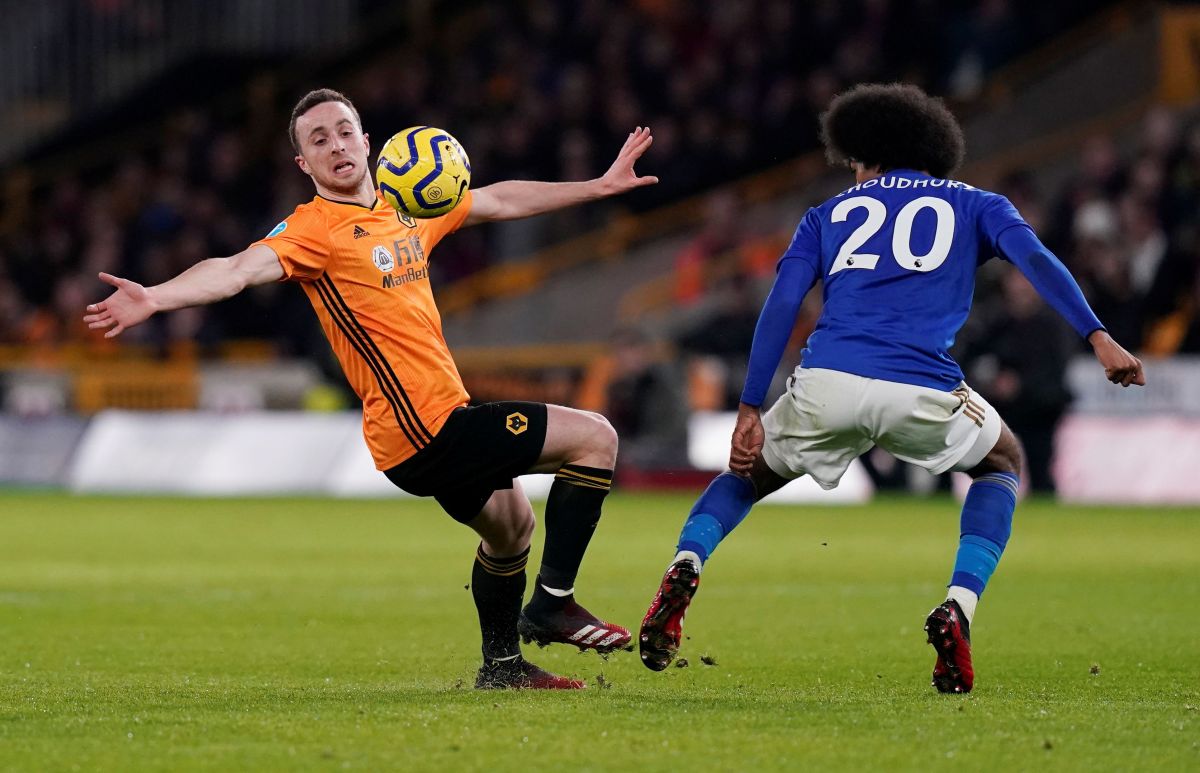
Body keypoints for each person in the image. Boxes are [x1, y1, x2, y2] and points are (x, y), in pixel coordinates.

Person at [84, 88, 659, 690]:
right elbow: (235, 270)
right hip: (423, 431)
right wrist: (156, 297)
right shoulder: (313, 231)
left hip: (439, 422)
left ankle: (502, 668)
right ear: (304, 163)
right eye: (319, 140)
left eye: (343, 132)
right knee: (595, 438)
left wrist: (597, 187)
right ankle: (553, 604)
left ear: (366, 141)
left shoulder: (408, 203)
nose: (335, 146)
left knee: (512, 528)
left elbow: (496, 199)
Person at [638, 83, 1144, 693]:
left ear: (870, 152)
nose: (853, 172)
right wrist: (1097, 335)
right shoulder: (980, 205)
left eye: (854, 159)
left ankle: (686, 562)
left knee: (743, 479)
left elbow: (782, 302)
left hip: (826, 382)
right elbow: (1037, 261)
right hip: (919, 386)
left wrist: (749, 405)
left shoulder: (827, 214)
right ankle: (958, 606)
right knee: (1003, 462)